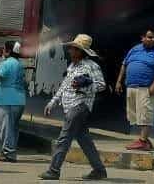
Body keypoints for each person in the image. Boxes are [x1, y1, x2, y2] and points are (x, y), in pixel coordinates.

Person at [40, 34, 108, 181]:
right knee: (84, 141)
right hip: (69, 106)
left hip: (80, 106)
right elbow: (64, 86)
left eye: (74, 48)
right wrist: (52, 102)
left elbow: (101, 85)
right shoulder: (72, 66)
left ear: (81, 51)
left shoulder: (91, 66)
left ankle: (54, 170)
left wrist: (85, 86)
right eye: (71, 48)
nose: (70, 51)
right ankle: (99, 170)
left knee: (64, 138)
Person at [115, 28, 154, 151]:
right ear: (143, 38)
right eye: (150, 37)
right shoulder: (135, 49)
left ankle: (143, 141)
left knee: (145, 114)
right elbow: (124, 64)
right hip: (131, 86)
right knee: (136, 115)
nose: (153, 40)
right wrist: (119, 81)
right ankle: (145, 139)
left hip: (146, 88)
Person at [0, 40, 26, 162]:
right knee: (13, 128)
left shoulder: (7, 63)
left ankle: (8, 154)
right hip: (18, 100)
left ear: (8, 51)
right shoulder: (18, 64)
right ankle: (10, 152)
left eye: (4, 49)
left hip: (9, 100)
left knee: (6, 128)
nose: (2, 51)